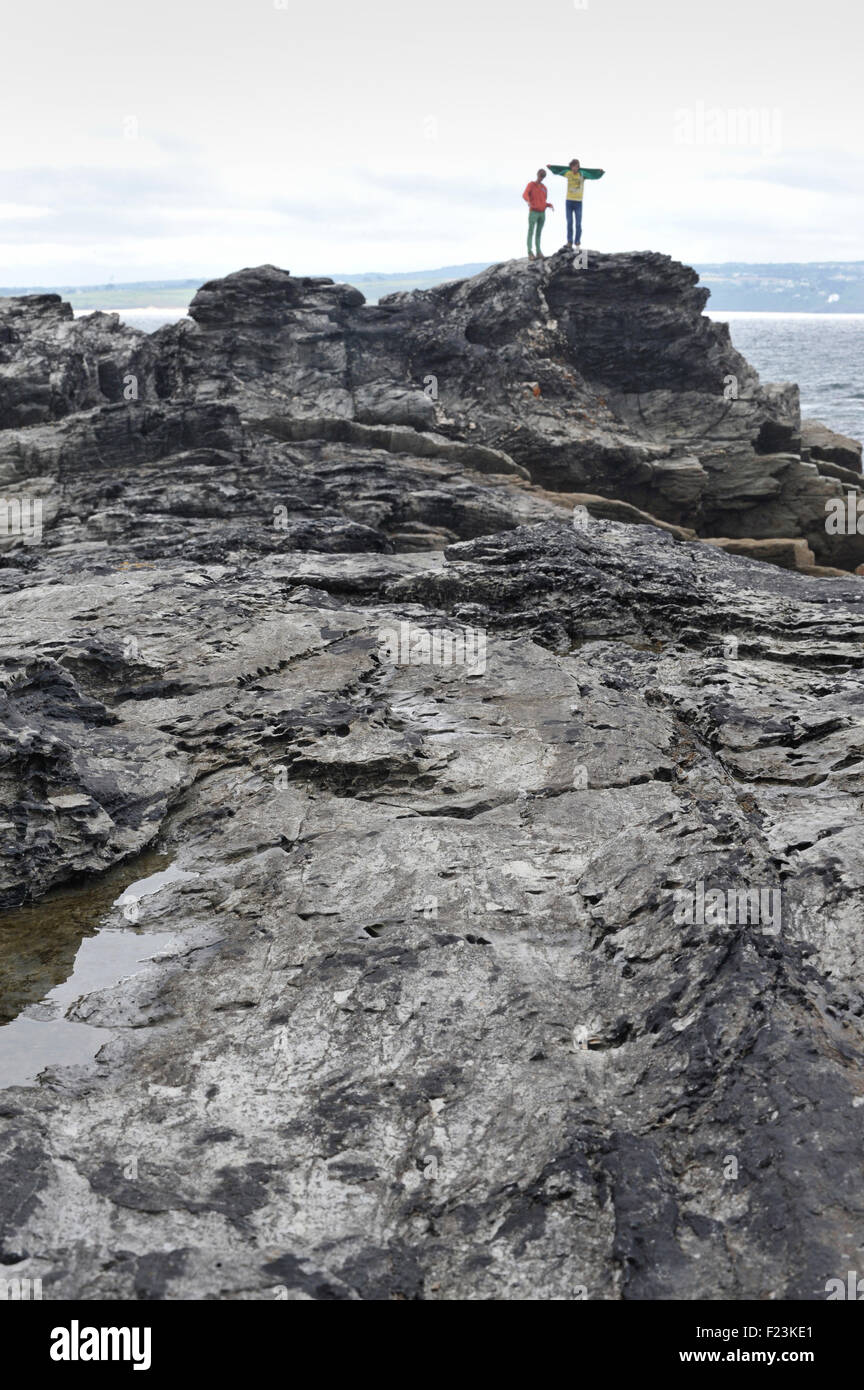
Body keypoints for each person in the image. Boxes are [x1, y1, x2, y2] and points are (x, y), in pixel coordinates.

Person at [547, 159, 604, 248]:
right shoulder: (568, 173)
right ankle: (569, 242)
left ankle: (577, 242)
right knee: (569, 222)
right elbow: (559, 171)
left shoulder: (582, 174)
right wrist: (551, 168)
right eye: (573, 166)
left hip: (578, 203)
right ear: (571, 167)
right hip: (569, 201)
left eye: (576, 166)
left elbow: (592, 175)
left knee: (578, 223)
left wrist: (599, 172)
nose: (574, 168)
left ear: (578, 167)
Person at [522, 168, 553, 261]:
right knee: (531, 231)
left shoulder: (544, 188)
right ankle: (530, 252)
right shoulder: (531, 185)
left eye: (543, 177)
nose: (541, 178)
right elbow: (524, 194)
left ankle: (538, 251)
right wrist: (528, 200)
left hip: (542, 213)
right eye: (540, 176)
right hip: (533, 212)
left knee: (539, 233)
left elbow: (543, 200)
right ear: (537, 175)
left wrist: (548, 205)